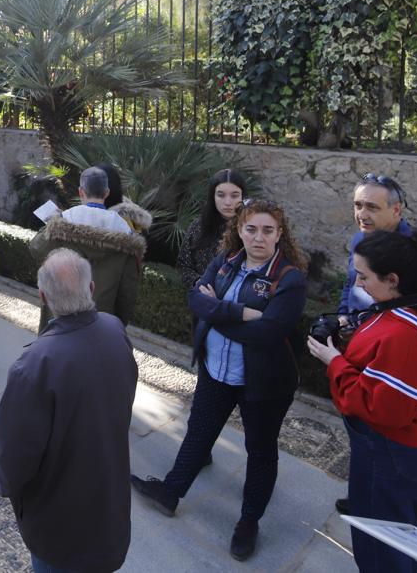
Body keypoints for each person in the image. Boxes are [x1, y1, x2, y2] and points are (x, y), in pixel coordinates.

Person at [130, 199, 308, 562]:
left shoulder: (289, 278)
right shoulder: (226, 262)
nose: (259, 237)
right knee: (199, 431)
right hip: (216, 372)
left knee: (259, 450)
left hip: (263, 382)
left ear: (280, 233)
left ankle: (248, 522)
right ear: (239, 230)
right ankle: (171, 491)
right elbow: (196, 300)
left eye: (268, 230)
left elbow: (270, 332)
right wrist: (242, 314)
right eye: (251, 229)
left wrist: (218, 314)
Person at [306, 229, 417, 573]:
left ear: (392, 280)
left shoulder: (401, 335)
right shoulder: (414, 312)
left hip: (389, 458)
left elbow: (383, 409)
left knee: (383, 551)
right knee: (406, 537)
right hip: (410, 452)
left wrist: (333, 360)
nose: (359, 285)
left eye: (364, 276)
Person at [0, 249, 138, 573]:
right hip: (108, 503)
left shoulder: (33, 365)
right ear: (91, 289)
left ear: (43, 297)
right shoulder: (115, 330)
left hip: (59, 523)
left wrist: (2, 481)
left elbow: (18, 451)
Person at [339, 173, 417, 332]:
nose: (362, 215)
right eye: (358, 205)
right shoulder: (360, 240)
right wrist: (343, 315)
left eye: (372, 207)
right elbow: (351, 284)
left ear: (396, 210)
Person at [29, 166, 147, 330]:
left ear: (81, 191)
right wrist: (118, 325)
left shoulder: (63, 222)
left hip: (58, 320)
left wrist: (52, 224)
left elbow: (35, 249)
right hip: (100, 325)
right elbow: (127, 293)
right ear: (106, 193)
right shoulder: (127, 237)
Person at [178, 169, 249, 291]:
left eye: (234, 195)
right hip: (203, 298)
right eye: (221, 195)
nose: (228, 202)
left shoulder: (252, 227)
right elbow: (183, 266)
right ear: (213, 196)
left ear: (243, 196)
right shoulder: (199, 226)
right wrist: (199, 284)